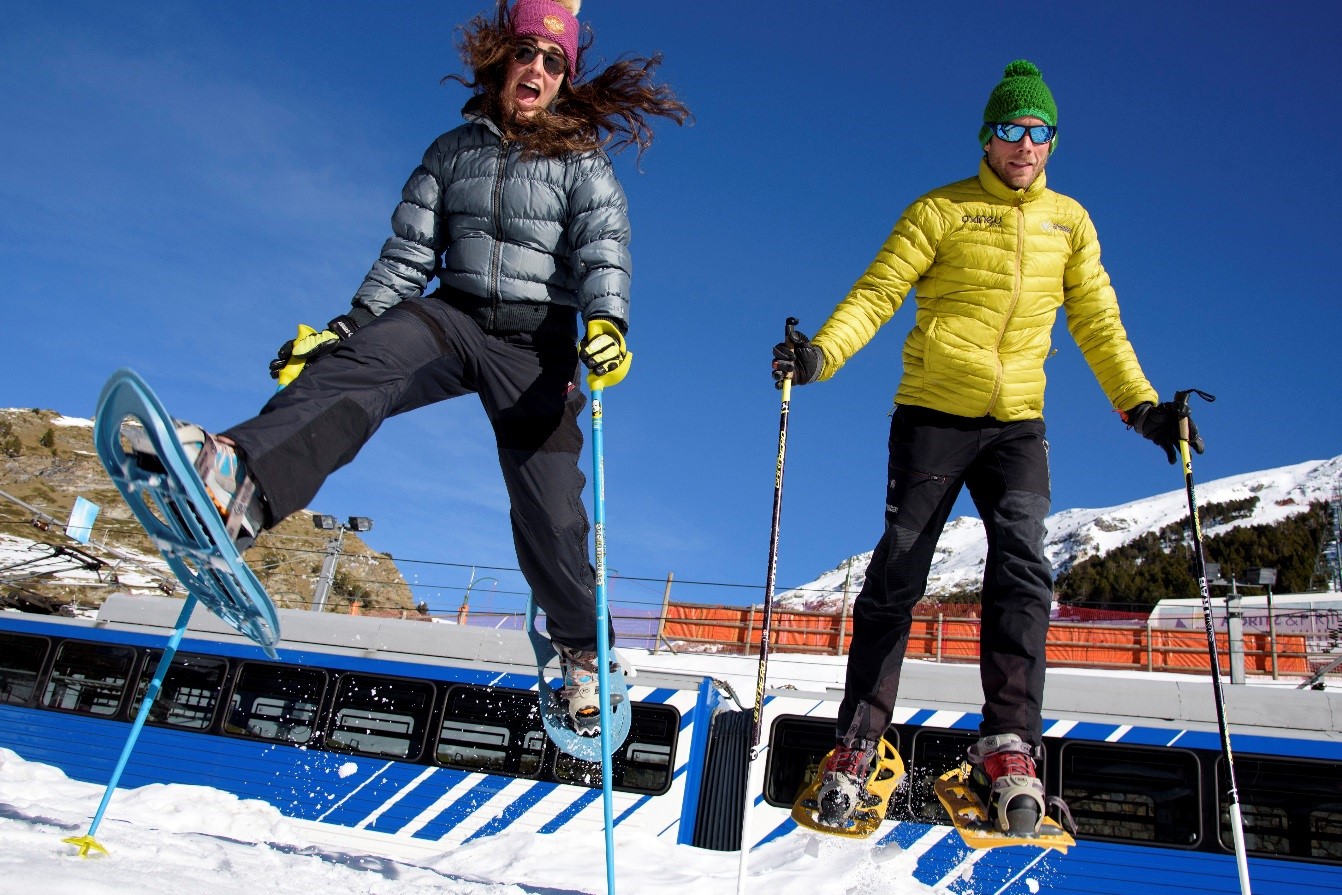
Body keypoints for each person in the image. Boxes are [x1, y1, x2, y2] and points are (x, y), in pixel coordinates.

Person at [149, 0, 688, 737]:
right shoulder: (450, 152)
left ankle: (582, 651)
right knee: (363, 362)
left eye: (553, 61)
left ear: (565, 80)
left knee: (550, 507)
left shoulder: (580, 161)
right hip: (454, 314)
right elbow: (407, 257)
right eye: (527, 53)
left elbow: (603, 248)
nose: (537, 69)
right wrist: (346, 326)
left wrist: (607, 324)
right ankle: (238, 482)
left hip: (541, 344)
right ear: (502, 58)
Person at [772, 60, 1203, 834]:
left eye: (1040, 132)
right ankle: (858, 742)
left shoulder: (1071, 223)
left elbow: (1099, 322)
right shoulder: (940, 211)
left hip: (1017, 425)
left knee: (1023, 564)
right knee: (898, 568)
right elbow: (878, 293)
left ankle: (1007, 742)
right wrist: (819, 356)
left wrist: (1141, 407)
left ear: (1053, 142)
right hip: (933, 412)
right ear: (988, 136)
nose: (1025, 145)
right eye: (1011, 129)